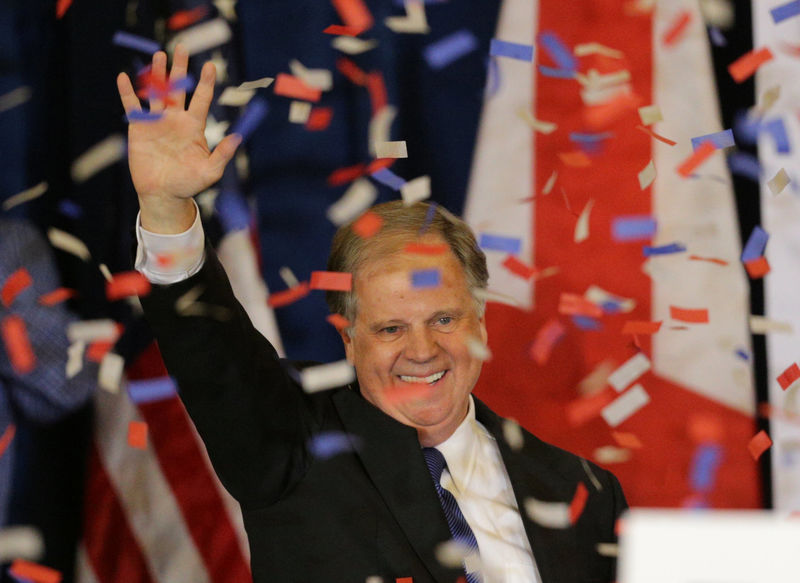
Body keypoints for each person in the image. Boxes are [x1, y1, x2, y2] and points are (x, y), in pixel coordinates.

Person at [119, 47, 627, 583]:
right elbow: (216, 361)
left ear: (480, 321)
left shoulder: (583, 492)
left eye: (444, 320)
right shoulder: (293, 448)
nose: (423, 350)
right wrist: (167, 211)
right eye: (390, 328)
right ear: (347, 335)